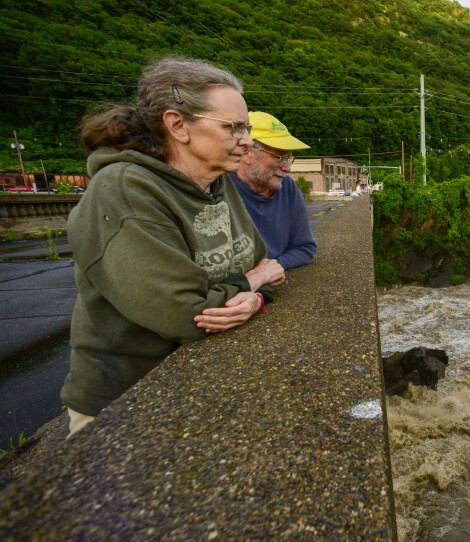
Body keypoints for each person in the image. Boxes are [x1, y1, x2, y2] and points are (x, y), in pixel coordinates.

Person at [61, 57, 285, 436]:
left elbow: (263, 265)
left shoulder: (217, 182)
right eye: (233, 127)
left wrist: (257, 295)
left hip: (200, 382)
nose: (246, 140)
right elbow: (186, 313)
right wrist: (249, 284)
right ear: (178, 125)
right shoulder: (124, 190)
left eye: (244, 128)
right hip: (125, 404)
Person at [229, 111, 317, 270]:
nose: (287, 168)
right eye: (279, 157)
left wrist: (271, 269)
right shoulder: (220, 188)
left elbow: (305, 248)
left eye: (289, 158)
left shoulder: (288, 188)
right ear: (247, 152)